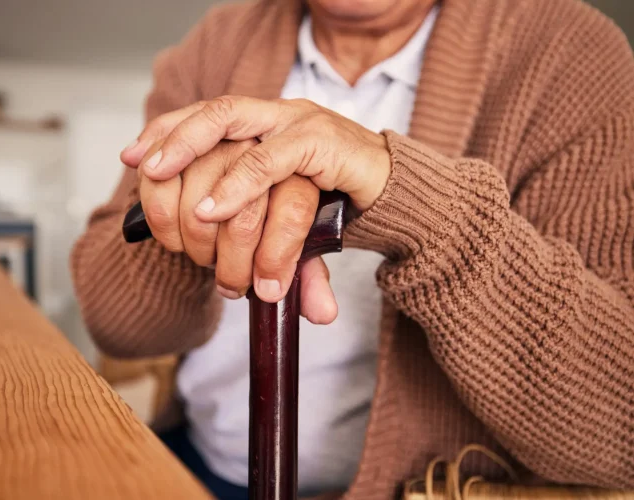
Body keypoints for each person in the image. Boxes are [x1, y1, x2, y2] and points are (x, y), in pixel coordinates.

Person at [71, 0, 634, 498]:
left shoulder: (570, 51)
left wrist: (415, 202)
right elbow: (118, 325)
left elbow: (617, 428)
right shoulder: (218, 39)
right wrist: (204, 209)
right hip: (195, 464)